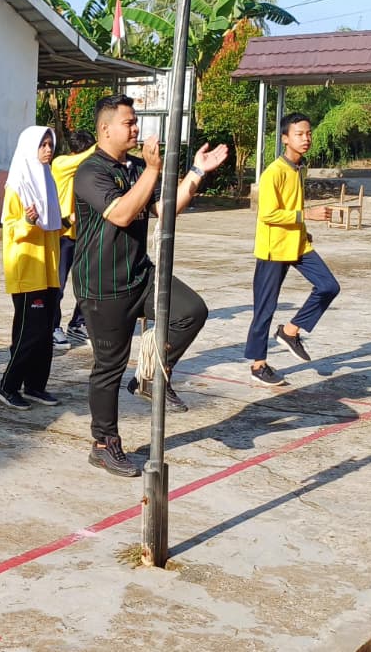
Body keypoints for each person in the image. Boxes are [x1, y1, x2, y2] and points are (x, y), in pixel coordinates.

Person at [72, 95, 227, 478]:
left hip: (140, 274)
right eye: (129, 122)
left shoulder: (138, 167)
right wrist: (153, 170)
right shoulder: (91, 171)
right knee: (108, 368)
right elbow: (123, 213)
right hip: (103, 285)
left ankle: (155, 372)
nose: (135, 128)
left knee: (191, 311)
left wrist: (196, 172)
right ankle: (104, 444)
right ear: (106, 128)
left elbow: (166, 208)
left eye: (135, 121)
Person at [245, 113, 340, 386]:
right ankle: (258, 365)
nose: (306, 138)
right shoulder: (273, 172)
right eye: (299, 134)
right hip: (273, 248)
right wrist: (306, 216)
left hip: (298, 243)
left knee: (328, 286)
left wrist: (302, 228)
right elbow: (268, 214)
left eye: (308, 133)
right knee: (264, 308)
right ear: (285, 139)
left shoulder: (299, 168)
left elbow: (290, 206)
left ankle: (290, 331)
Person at [0, 126, 64, 411]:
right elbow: (9, 227)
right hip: (26, 269)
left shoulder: (47, 180)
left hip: (48, 269)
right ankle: (7, 386)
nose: (48, 149)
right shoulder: (17, 184)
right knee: (29, 333)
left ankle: (36, 385)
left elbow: (53, 225)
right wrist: (27, 220)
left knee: (45, 331)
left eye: (50, 144)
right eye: (42, 145)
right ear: (29, 147)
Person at [50, 129, 96, 347]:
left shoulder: (85, 170)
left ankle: (78, 324)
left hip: (82, 234)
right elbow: (85, 157)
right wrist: (108, 142)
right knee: (57, 285)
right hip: (61, 235)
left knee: (87, 283)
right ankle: (52, 327)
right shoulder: (61, 163)